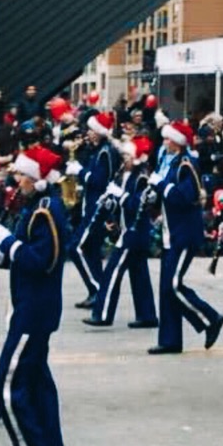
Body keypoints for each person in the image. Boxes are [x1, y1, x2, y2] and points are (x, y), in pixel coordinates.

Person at [0, 143, 71, 446]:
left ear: (36, 177)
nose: (16, 179)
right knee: (37, 387)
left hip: (34, 310)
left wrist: (7, 244)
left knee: (7, 388)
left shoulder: (46, 210)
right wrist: (0, 255)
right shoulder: (36, 206)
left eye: (21, 174)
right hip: (31, 306)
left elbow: (42, 261)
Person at [148, 120, 223, 355]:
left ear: (178, 143)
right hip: (172, 233)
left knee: (173, 285)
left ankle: (210, 318)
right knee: (166, 287)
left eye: (168, 139)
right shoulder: (170, 162)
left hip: (184, 234)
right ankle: (170, 339)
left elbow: (185, 197)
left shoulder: (186, 165)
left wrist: (160, 186)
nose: (164, 142)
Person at [84, 136, 157, 330]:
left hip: (134, 234)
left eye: (127, 155)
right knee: (139, 275)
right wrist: (109, 203)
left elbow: (136, 205)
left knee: (112, 272)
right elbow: (122, 205)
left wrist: (120, 195)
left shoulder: (141, 179)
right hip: (128, 231)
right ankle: (147, 315)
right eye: (123, 155)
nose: (124, 159)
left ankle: (103, 314)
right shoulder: (123, 176)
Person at [70, 111, 118, 309]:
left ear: (99, 132)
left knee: (76, 247)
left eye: (91, 130)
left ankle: (99, 290)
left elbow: (99, 180)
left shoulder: (105, 152)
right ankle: (95, 291)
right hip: (91, 206)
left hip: (97, 208)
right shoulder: (98, 150)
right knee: (90, 250)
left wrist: (79, 171)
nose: (88, 133)